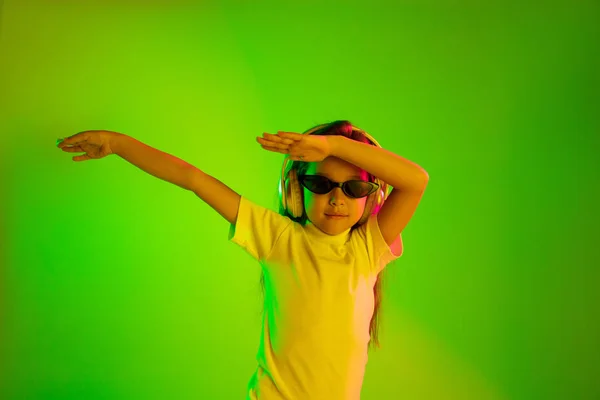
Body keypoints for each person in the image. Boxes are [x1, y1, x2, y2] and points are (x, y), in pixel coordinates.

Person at [57, 120, 428, 399]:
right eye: (321, 184)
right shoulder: (277, 237)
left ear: (371, 197)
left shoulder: (367, 248)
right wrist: (117, 143)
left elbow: (415, 180)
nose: (337, 199)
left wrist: (331, 145)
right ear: (298, 190)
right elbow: (194, 179)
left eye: (354, 188)